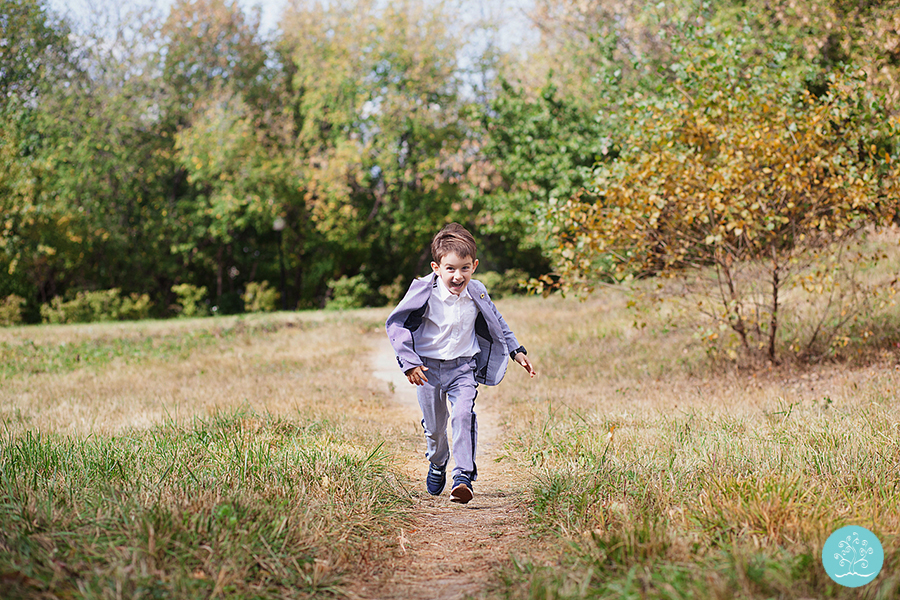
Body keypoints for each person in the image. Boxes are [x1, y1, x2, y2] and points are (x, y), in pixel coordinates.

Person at [385, 223, 536, 504]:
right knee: (434, 428)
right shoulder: (424, 292)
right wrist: (409, 363)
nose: (458, 276)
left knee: (463, 415)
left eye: (465, 268)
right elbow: (396, 324)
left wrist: (517, 350)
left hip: (463, 368)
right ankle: (438, 461)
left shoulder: (476, 291)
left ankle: (463, 477)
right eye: (451, 269)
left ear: (474, 265)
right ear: (436, 267)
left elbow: (497, 321)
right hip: (427, 370)